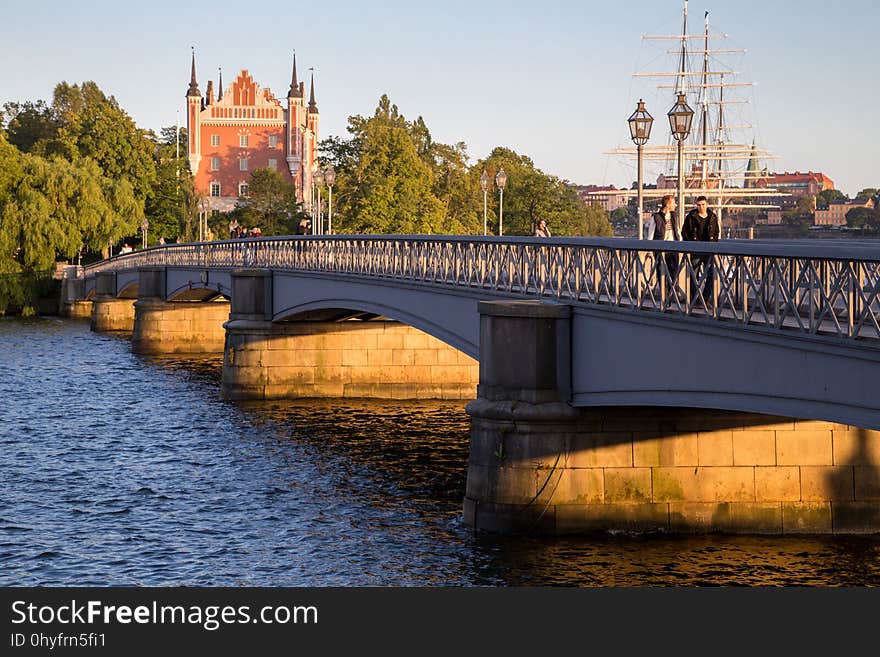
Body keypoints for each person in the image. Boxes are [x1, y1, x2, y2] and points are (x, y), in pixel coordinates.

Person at [682, 195, 721, 305]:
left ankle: (705, 298)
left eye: (703, 204)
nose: (701, 207)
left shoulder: (712, 217)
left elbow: (716, 232)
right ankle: (695, 299)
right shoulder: (691, 216)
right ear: (696, 205)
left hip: (709, 250)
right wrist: (691, 244)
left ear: (707, 205)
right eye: (699, 205)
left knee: (711, 274)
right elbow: (684, 232)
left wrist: (713, 244)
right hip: (695, 250)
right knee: (693, 275)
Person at [645, 194, 680, 281]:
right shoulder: (656, 217)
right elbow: (651, 234)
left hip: (673, 247)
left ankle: (672, 291)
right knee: (661, 271)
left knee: (674, 271)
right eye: (673, 203)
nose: (675, 205)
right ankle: (664, 291)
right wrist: (650, 250)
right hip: (660, 247)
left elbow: (677, 231)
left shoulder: (674, 216)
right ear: (668, 204)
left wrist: (681, 244)